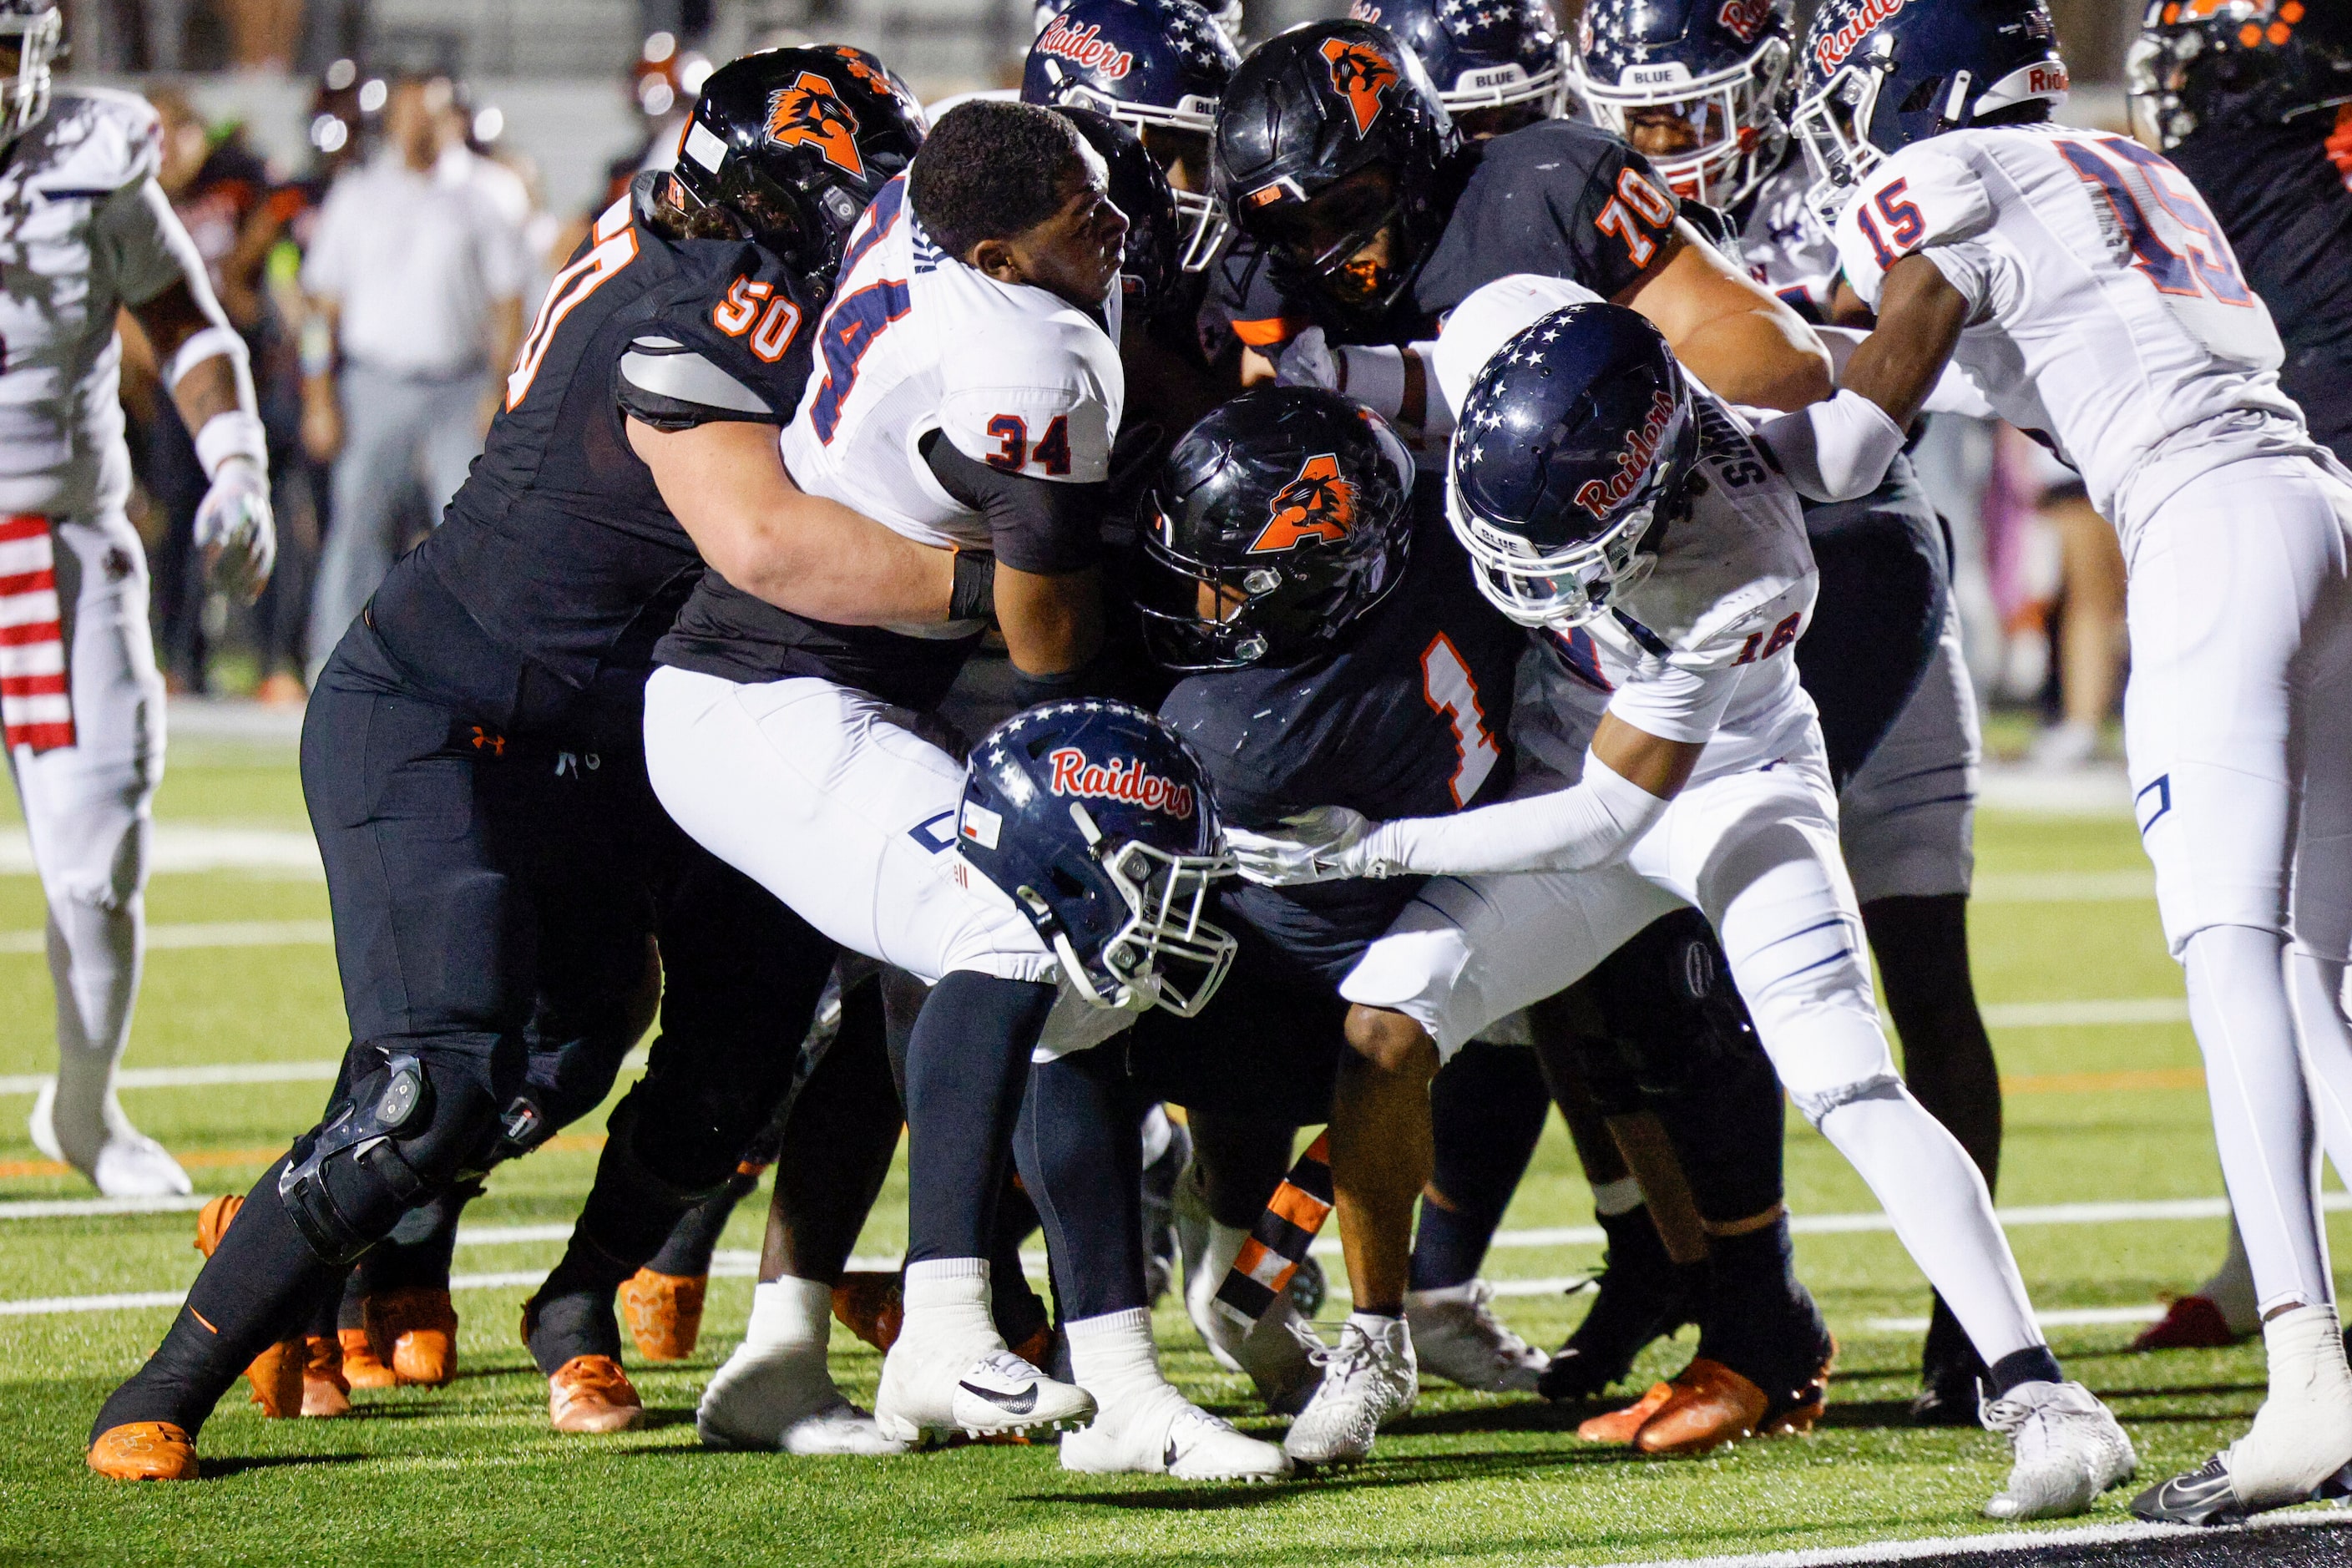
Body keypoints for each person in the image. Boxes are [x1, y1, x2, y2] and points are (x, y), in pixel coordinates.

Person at [83, 45, 954, 1482]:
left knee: (743, 1025)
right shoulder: (712, 303)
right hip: (441, 705)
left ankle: (574, 1293)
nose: (877, 228)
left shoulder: (693, 228)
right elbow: (765, 543)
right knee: (440, 1081)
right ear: (772, 202)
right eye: (851, 200)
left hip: (620, 730)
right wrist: (995, 588)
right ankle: (178, 1368)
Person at [1232, 281, 2139, 1519]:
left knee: (1845, 1079)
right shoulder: (1530, 341)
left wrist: (1372, 847)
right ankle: (1378, 1341)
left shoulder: (1745, 563)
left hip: (1721, 787)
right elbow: (1424, 375)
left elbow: (1610, 818)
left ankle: (2044, 1396)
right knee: (1384, 1021)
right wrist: (1310, 367)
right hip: (1567, 755)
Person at [638, 100, 1279, 1473]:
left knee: (1073, 994)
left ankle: (1106, 1387)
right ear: (995, 247)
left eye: (1098, 195)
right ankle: (940, 1323)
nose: (1111, 224)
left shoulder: (926, 214)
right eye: (1078, 219)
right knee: (1019, 927)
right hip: (768, 701)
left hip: (854, 688)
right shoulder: (1027, 355)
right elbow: (1048, 640)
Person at [1790, 0, 2352, 1525]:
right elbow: (2001, 364)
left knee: (2234, 950)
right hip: (2312, 505)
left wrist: (1707, 410)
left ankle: (2308, 1373)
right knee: (2310, 968)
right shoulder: (2115, 163)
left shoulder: (1946, 177)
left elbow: (1852, 445)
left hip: (2204, 529)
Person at [1569, 0, 2000, 1423]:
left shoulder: (1843, 197)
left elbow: (1862, 432)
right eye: (1635, 120)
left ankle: (1962, 1324)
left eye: (1686, 114)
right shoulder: (1604, 213)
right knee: (1676, 940)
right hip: (1730, 611)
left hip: (1863, 582)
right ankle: (1735, 1298)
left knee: (1917, 966)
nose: (1658, 150)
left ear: (1759, 92)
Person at [0, 1, 276, 1200]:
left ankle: (83, 1104)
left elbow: (182, 319)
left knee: (98, 859)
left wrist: (238, 465)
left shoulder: (89, 164)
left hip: (56, 540)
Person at [2123, 0, 2352, 1357]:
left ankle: (2288, 1303)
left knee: (2269, 935)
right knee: (2292, 944)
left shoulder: (2229, 167)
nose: (2182, 90)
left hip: (2297, 520)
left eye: (2205, 60)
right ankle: (2255, 1241)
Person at [297, 71, 533, 682]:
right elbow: (321, 308)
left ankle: (480, 661)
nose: (413, 128)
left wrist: (497, 389)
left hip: (459, 386)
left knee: (476, 529)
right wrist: (318, 395)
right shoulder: (357, 194)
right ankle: (337, 662)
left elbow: (508, 305)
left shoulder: (485, 193)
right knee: (357, 523)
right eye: (403, 115)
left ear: (448, 118)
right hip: (374, 382)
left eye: (424, 115)